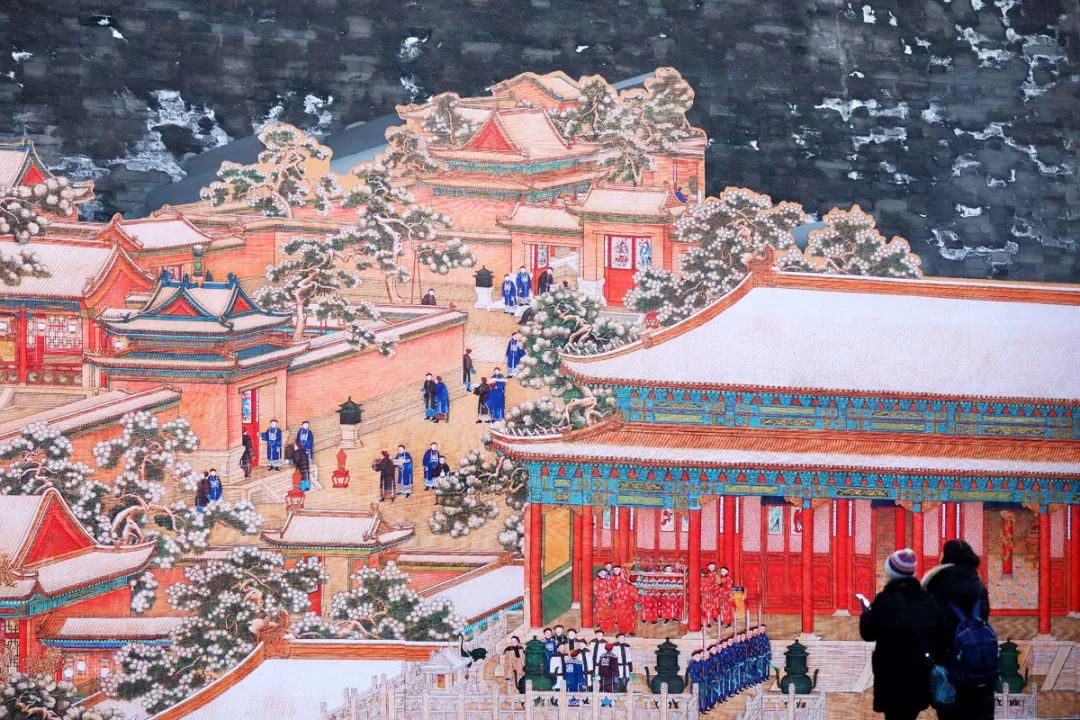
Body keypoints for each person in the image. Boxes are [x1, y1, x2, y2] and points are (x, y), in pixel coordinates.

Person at [860, 548, 948, 720]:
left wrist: (866, 614)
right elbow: (940, 633)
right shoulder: (927, 600)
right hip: (918, 675)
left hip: (890, 675)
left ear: (891, 573)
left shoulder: (884, 601)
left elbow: (868, 633)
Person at [923, 540, 996, 720]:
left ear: (948, 557)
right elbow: (983, 619)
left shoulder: (936, 588)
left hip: (950, 671)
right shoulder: (980, 588)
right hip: (980, 666)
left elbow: (932, 631)